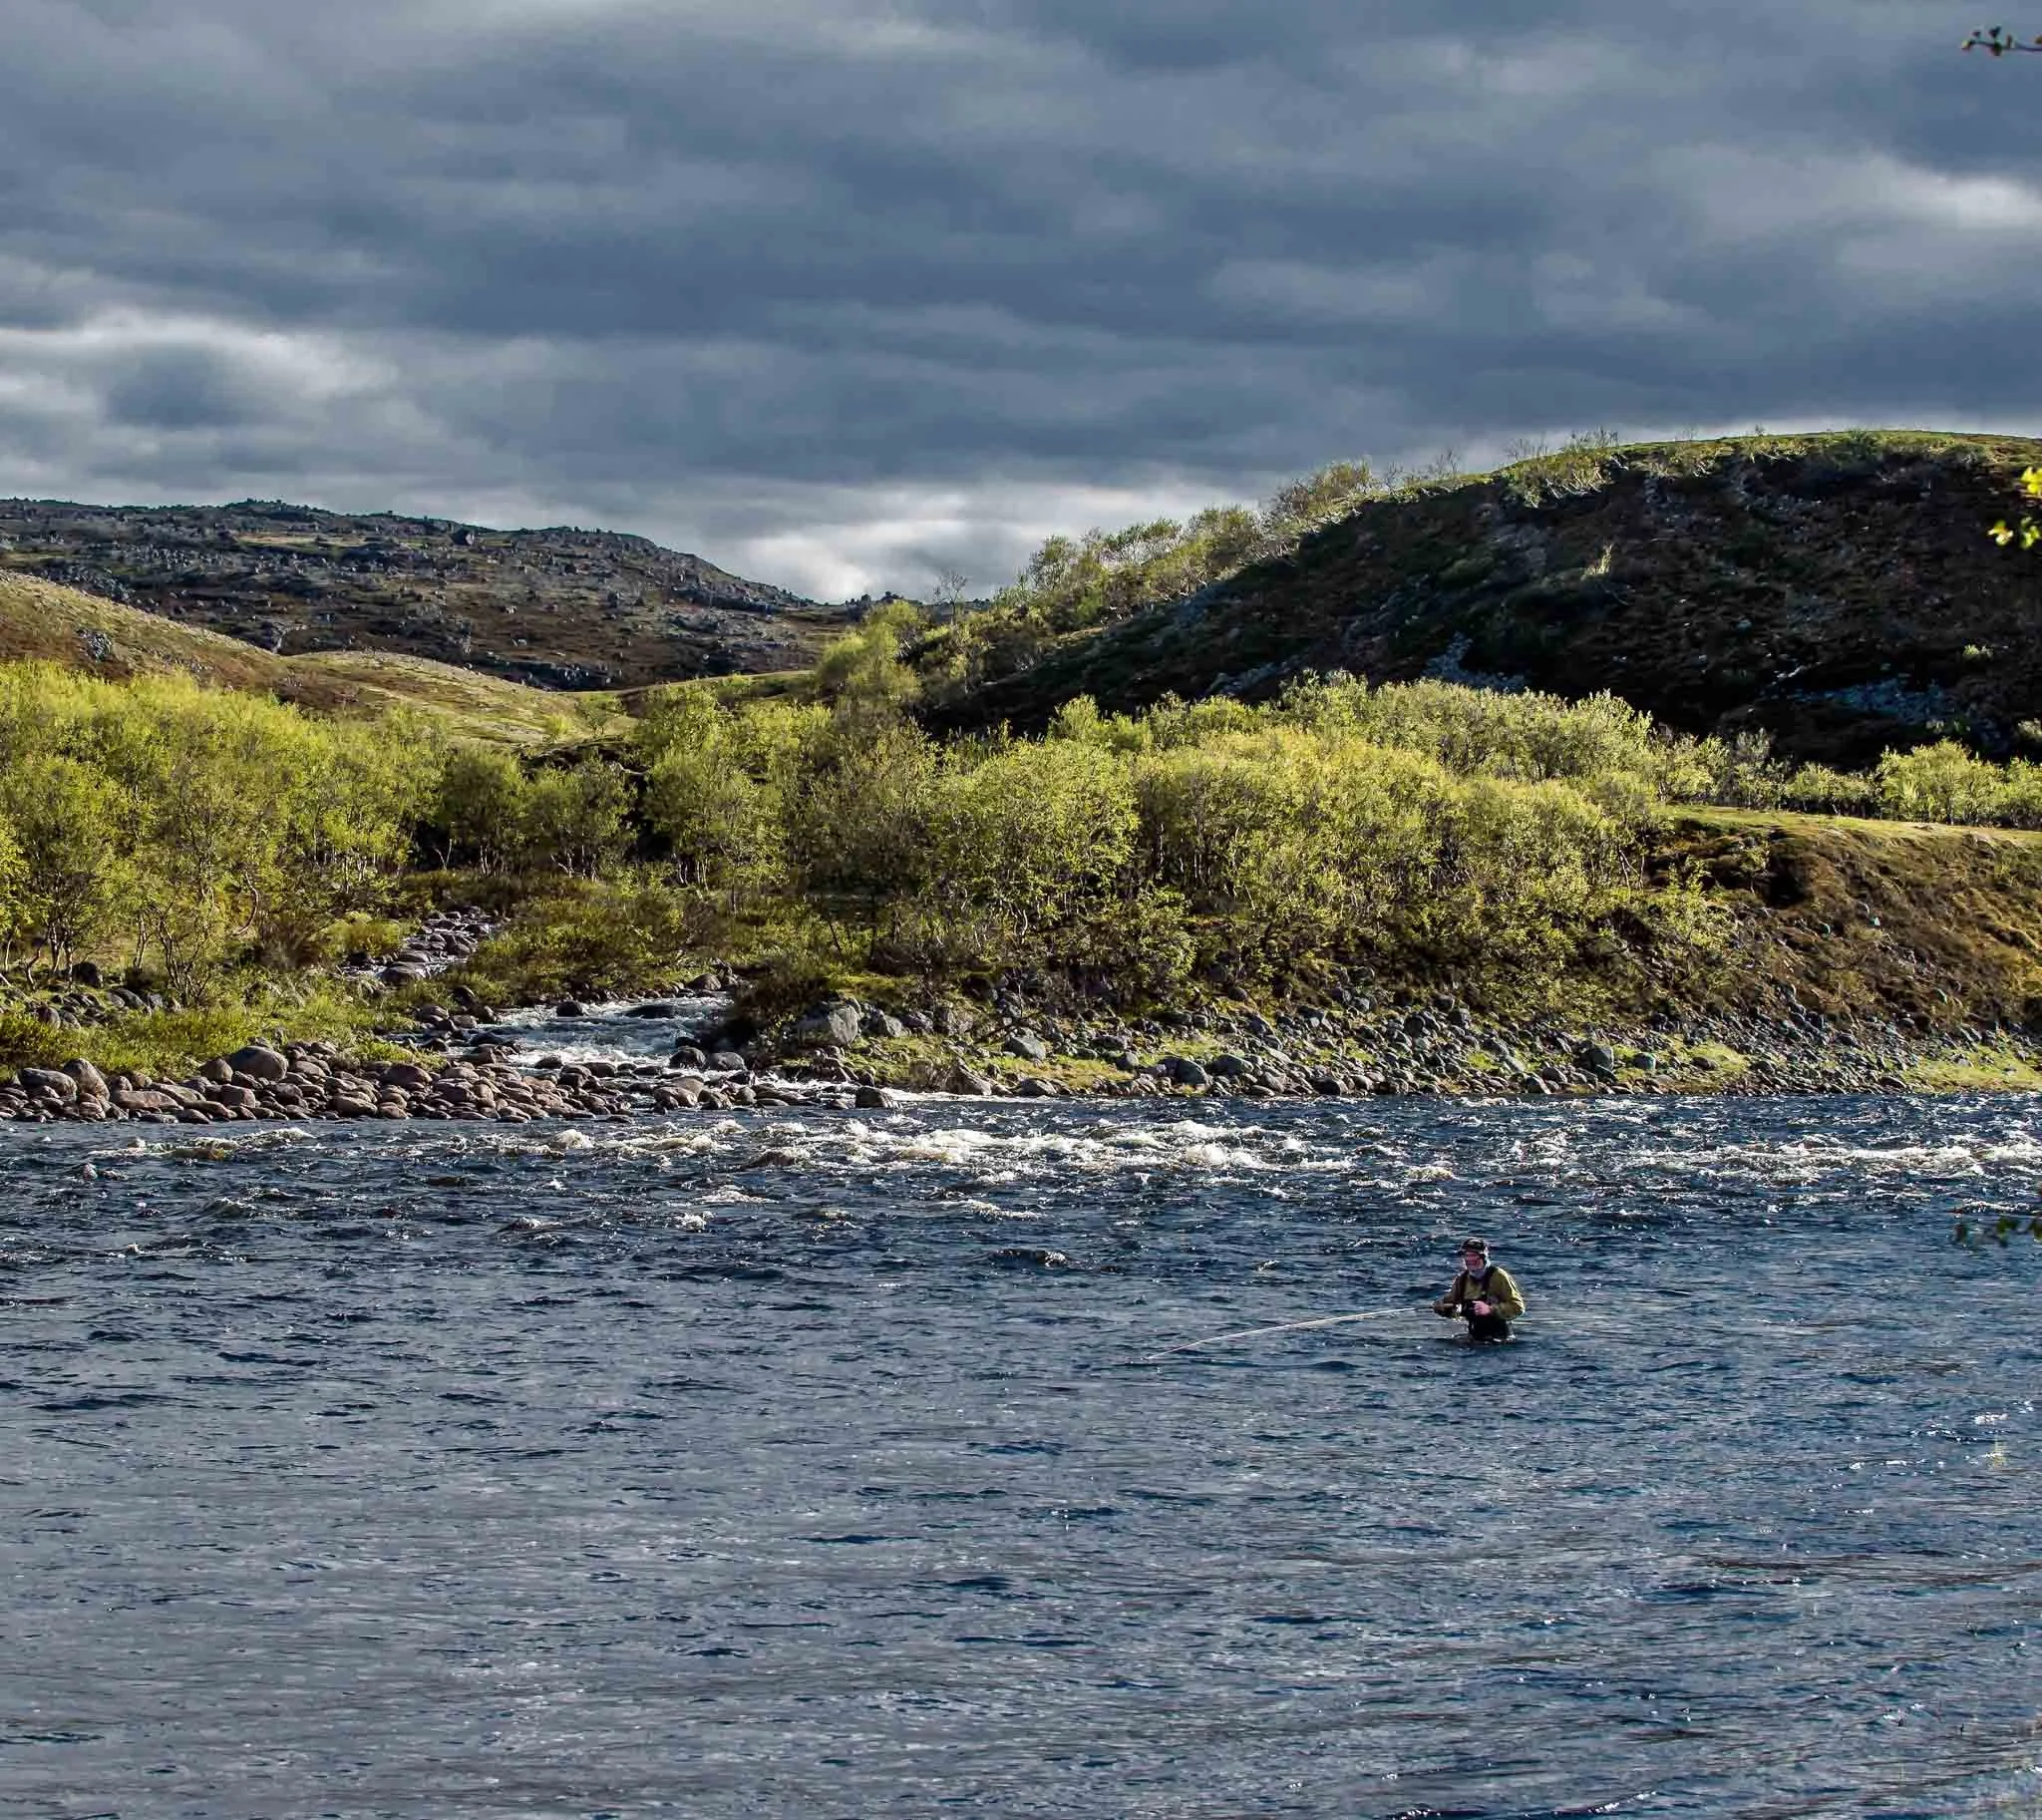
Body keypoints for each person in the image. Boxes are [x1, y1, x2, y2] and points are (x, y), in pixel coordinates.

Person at [1433, 1237, 1525, 1341]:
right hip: (1474, 1337)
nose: (1469, 1260)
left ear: (1483, 1257)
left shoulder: (1499, 1276)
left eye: (1473, 1255)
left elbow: (1518, 1307)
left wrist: (1490, 1310)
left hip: (1500, 1339)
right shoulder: (1462, 1279)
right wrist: (1442, 1308)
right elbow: (1452, 1305)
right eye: (1466, 1255)